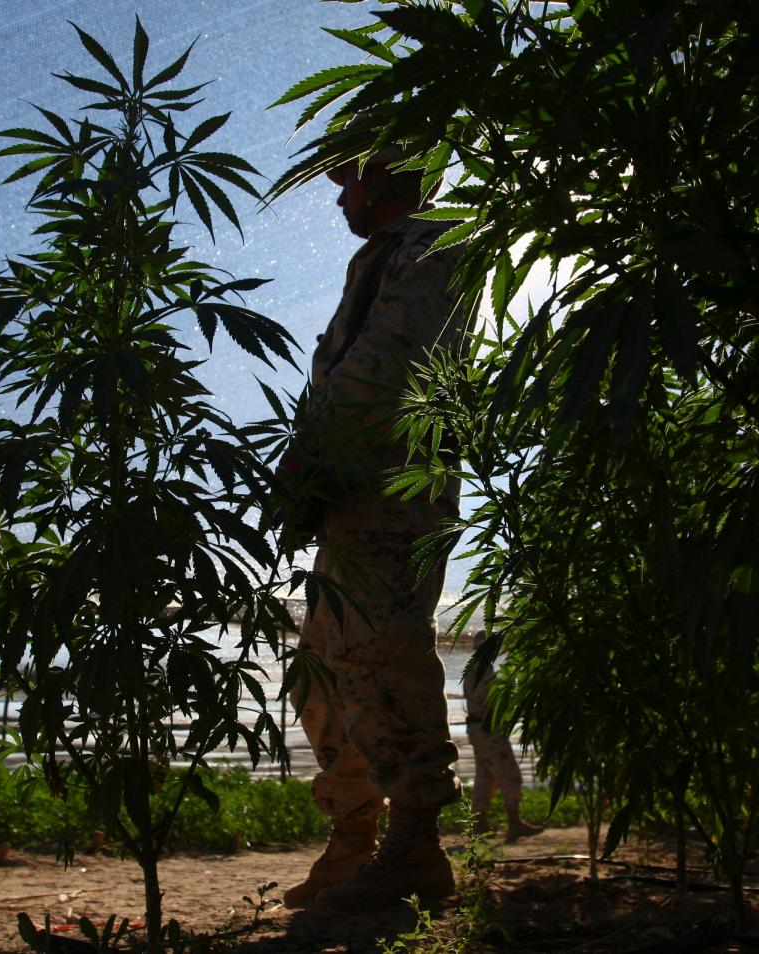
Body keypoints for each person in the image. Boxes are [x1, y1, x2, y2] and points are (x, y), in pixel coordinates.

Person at [276, 131, 466, 915]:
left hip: (394, 492)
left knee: (380, 657)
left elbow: (387, 362)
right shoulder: (385, 255)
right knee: (321, 669)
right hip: (358, 493)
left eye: (350, 180)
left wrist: (307, 457)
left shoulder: (434, 245)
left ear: (389, 176)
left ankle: (414, 847)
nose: (340, 195)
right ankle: (355, 837)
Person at [462, 632, 543, 842]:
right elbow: (486, 697)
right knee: (509, 773)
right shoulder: (481, 668)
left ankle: (480, 825)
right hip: (488, 728)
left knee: (485, 775)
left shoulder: (475, 667)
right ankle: (514, 824)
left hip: (477, 728)